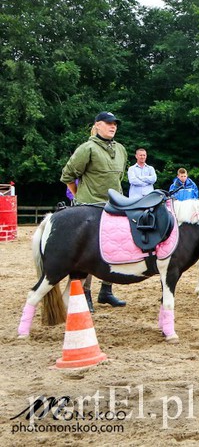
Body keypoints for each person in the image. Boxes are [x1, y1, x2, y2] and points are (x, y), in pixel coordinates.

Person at [60, 111, 128, 310]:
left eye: (114, 123)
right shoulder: (87, 148)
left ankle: (106, 291)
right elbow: (67, 175)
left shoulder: (121, 149)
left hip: (115, 206)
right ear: (97, 125)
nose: (112, 126)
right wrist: (80, 196)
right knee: (89, 253)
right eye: (108, 123)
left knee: (117, 247)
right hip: (89, 208)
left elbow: (118, 179)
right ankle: (86, 294)